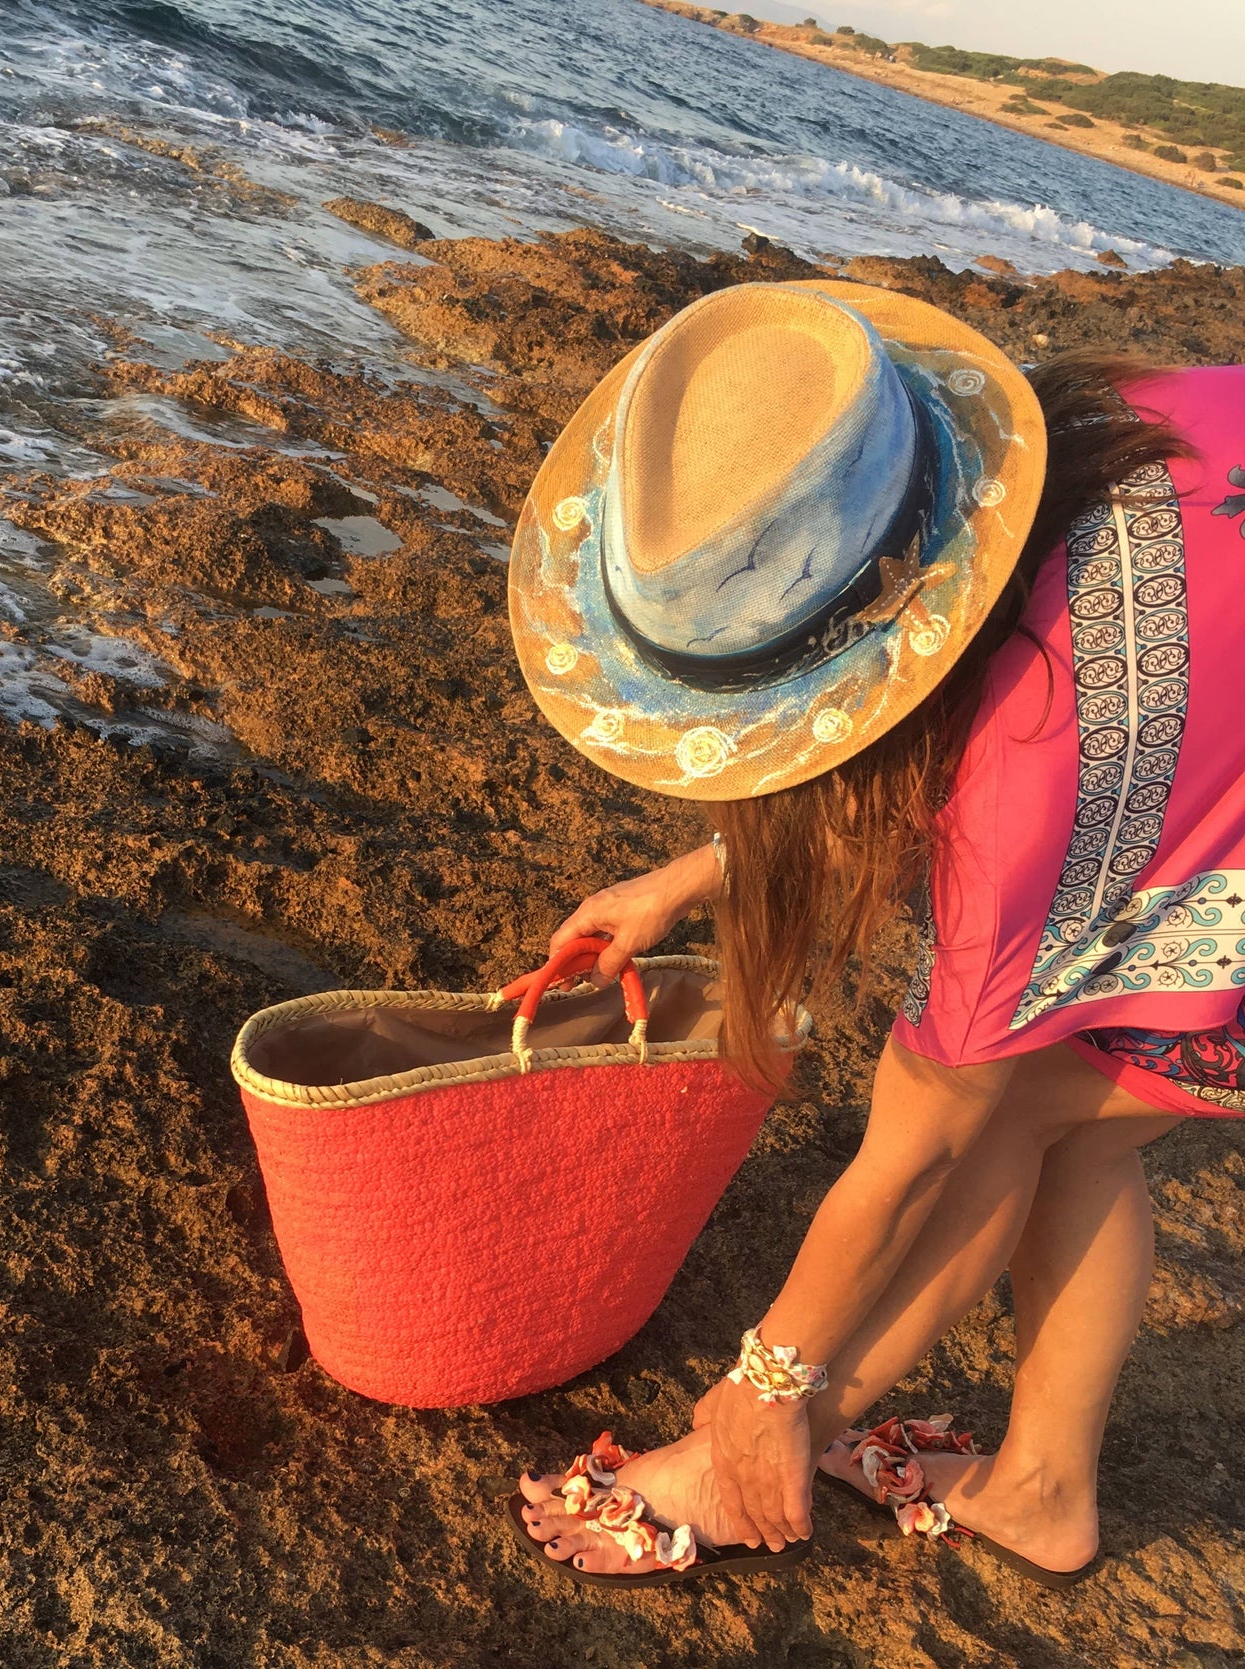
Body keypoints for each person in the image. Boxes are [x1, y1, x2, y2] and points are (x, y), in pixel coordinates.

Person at [504, 278, 1245, 1589]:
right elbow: (930, 691)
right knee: (1093, 1105)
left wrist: (764, 1391)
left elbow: (916, 1154)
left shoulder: (1021, 796)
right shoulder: (1080, 442)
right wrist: (701, 876)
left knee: (1014, 1117)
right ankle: (1042, 1486)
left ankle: (739, 1479)